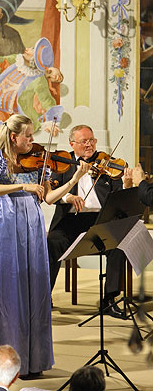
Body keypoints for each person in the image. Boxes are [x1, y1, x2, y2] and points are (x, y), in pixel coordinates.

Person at [0, 114, 89, 378]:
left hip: (33, 227)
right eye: (28, 136)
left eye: (32, 135)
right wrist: (23, 185)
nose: (33, 140)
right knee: (11, 293)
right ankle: (8, 361)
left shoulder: (41, 160)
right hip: (11, 227)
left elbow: (50, 197)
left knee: (35, 292)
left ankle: (33, 360)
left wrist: (74, 179)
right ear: (13, 137)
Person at [47, 124, 133, 318]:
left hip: (99, 220)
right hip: (70, 219)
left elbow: (118, 196)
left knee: (118, 245)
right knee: (52, 242)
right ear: (72, 143)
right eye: (84, 141)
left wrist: (127, 184)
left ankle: (109, 300)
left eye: (92, 140)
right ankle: (44, 296)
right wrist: (69, 197)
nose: (89, 145)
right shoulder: (63, 162)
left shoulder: (107, 163)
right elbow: (52, 192)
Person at [0, 37, 64, 132]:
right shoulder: (17, 60)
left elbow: (47, 101)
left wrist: (51, 122)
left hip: (19, 121)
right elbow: (2, 61)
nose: (27, 49)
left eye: (32, 51)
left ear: (35, 60)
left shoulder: (38, 79)